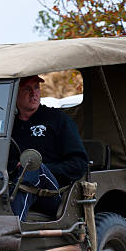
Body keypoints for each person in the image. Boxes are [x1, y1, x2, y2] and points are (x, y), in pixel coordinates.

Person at [9, 75, 88, 221]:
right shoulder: (9, 126)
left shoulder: (58, 120)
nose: (34, 93)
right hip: (15, 184)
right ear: (15, 92)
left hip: (54, 193)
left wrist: (45, 168)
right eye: (27, 89)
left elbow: (79, 164)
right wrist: (17, 166)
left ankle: (13, 229)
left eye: (36, 88)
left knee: (33, 167)